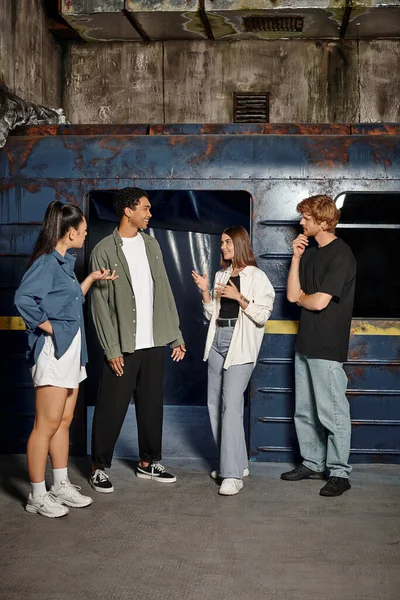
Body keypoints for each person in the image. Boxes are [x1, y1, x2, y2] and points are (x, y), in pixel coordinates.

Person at [14, 201, 117, 518]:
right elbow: (22, 298)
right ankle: (37, 495)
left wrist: (89, 281)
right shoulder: (47, 263)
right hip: (54, 353)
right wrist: (51, 330)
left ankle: (59, 485)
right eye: (83, 231)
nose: (86, 235)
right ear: (70, 232)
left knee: (64, 421)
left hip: (73, 353)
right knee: (44, 426)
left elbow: (67, 304)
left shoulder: (64, 264)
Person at [89, 187, 186, 493]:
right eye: (145, 208)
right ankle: (98, 467)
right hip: (123, 344)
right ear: (128, 211)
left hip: (154, 339)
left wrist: (175, 335)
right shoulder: (103, 250)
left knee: (151, 404)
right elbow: (99, 305)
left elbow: (165, 290)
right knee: (111, 406)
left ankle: (149, 462)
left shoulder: (152, 245)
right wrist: (111, 348)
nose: (149, 213)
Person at [281, 195, 356, 497]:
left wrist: (302, 298)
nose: (301, 222)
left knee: (332, 411)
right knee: (305, 411)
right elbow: (291, 296)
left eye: (306, 218)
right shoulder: (309, 255)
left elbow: (319, 301)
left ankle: (340, 472)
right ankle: (312, 462)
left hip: (327, 345)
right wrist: (296, 257)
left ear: (323, 221)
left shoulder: (342, 255)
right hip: (306, 343)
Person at [192, 226, 275, 496]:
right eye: (222, 243)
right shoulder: (221, 274)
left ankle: (231, 475)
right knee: (214, 403)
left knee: (231, 405)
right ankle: (236, 463)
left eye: (228, 242)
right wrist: (205, 292)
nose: (223, 247)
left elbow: (262, 315)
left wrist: (238, 297)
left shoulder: (257, 277)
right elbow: (210, 314)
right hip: (217, 340)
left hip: (240, 345)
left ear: (239, 243)